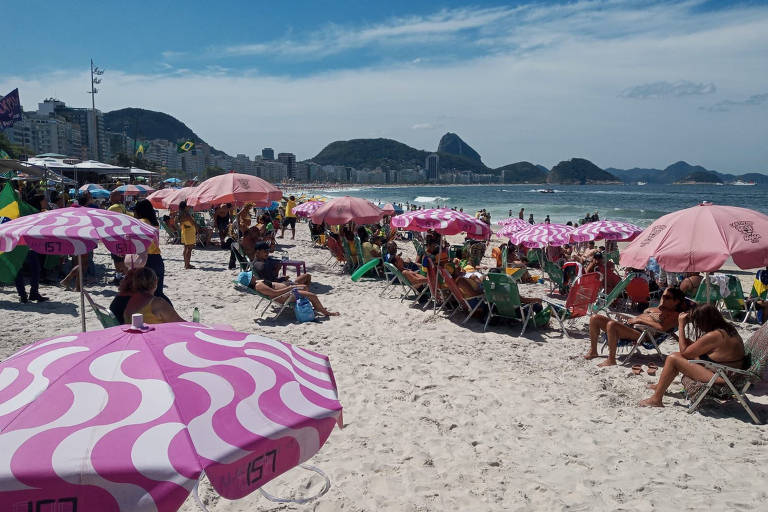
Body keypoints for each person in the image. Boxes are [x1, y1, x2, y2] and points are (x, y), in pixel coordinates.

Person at [639, 304, 745, 407]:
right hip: (729, 373)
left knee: (673, 359)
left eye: (697, 322)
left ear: (704, 321)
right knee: (676, 355)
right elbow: (696, 349)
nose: (696, 325)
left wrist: (681, 325)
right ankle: (660, 387)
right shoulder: (726, 329)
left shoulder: (715, 335)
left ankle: (656, 399)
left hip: (723, 379)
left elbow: (685, 352)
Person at [584, 286, 686, 366]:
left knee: (612, 325)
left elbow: (662, 328)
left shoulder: (674, 315)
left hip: (642, 334)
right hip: (630, 327)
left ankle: (611, 360)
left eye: (667, 297)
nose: (663, 299)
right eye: (663, 296)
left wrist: (640, 319)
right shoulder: (658, 308)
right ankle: (593, 351)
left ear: (676, 301)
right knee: (595, 318)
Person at [239, 272, 339, 317]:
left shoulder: (257, 283)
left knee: (305, 287)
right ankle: (327, 313)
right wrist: (289, 288)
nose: (252, 275)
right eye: (250, 276)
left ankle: (317, 306)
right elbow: (275, 293)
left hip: (287, 292)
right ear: (249, 280)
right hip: (285, 295)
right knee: (313, 296)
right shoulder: (259, 286)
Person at [113, 267, 185, 324]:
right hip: (156, 340)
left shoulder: (130, 301)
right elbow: (180, 323)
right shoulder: (157, 303)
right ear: (155, 282)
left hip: (137, 340)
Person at [133, 199, 172, 304]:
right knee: (158, 293)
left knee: (146, 294)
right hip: (157, 259)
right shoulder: (154, 223)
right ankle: (171, 314)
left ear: (139, 211)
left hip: (147, 260)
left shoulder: (141, 222)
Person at [12, 194, 48, 303]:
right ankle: (24, 295)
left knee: (35, 269)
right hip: (18, 244)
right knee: (20, 271)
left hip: (27, 245)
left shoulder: (28, 209)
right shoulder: (14, 210)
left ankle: (32, 294)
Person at [178, 200, 196, 269]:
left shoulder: (180, 214)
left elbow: (178, 222)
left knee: (186, 248)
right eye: (188, 206)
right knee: (189, 249)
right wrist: (198, 228)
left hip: (184, 231)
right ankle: (187, 264)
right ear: (185, 207)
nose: (189, 207)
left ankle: (186, 264)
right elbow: (193, 223)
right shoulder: (187, 214)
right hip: (189, 232)